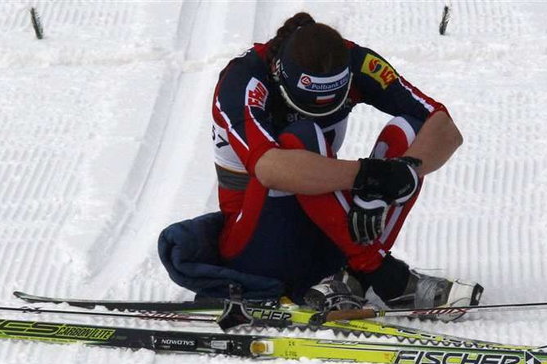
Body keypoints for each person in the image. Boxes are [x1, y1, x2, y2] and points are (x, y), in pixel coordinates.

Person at [159, 12, 482, 311]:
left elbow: (443, 126)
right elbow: (270, 168)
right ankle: (382, 273)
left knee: (411, 131)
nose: (322, 112)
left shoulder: (357, 61)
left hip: (330, 230)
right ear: (280, 76)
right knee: (302, 137)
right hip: (257, 244)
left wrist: (400, 176)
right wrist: (367, 176)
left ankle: (350, 276)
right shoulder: (244, 80)